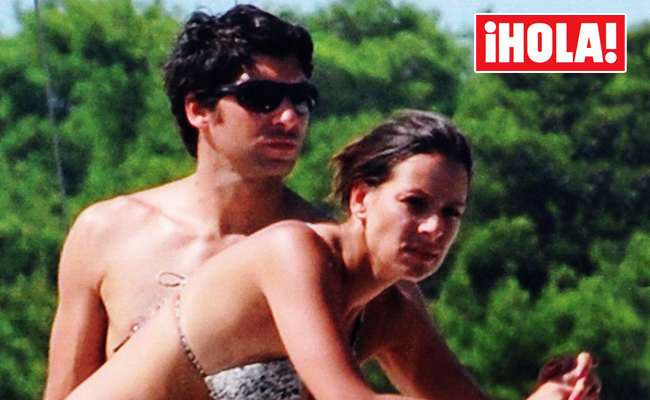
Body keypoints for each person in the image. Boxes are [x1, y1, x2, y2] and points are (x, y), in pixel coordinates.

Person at [63, 110, 601, 400]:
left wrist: (552, 395)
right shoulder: (291, 250)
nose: (434, 227)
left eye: (452, 212)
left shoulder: (393, 310)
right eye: (415, 204)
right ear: (361, 199)